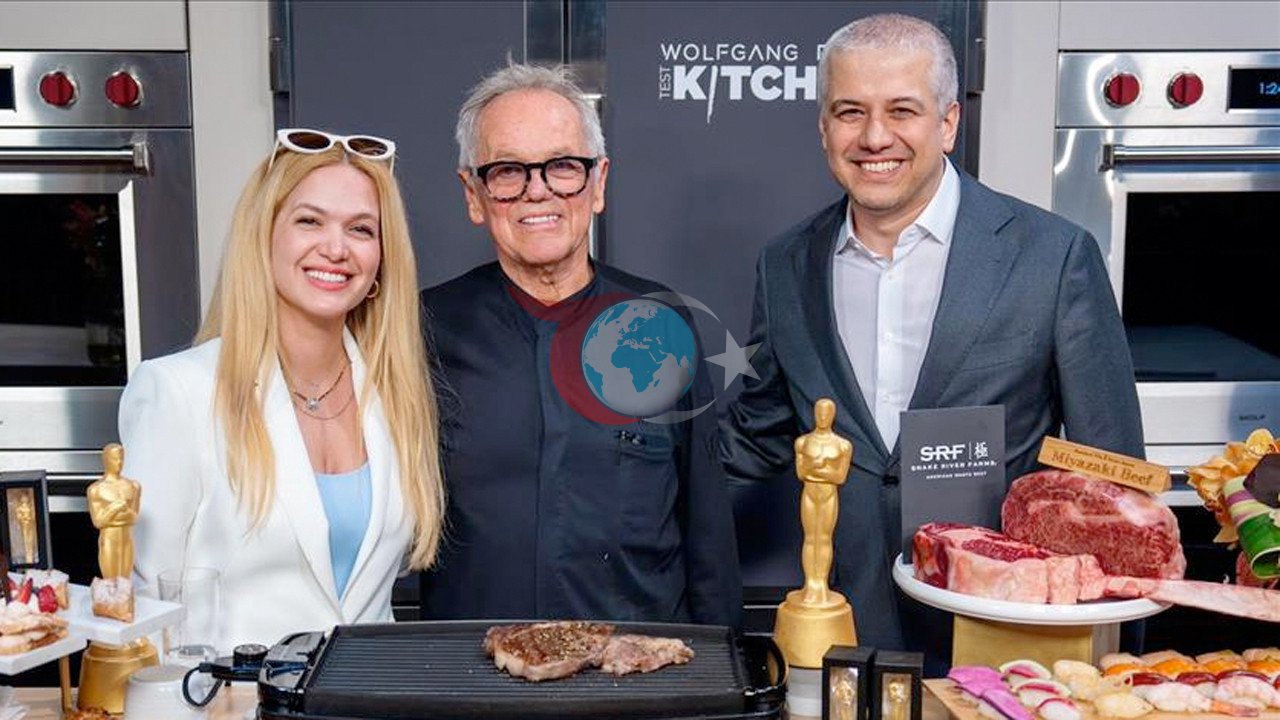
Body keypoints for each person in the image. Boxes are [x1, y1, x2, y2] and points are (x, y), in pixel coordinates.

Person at [721, 13, 1143, 660]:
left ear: (947, 123)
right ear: (824, 128)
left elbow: (1111, 480)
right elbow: (756, 436)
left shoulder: (1052, 258)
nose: (875, 137)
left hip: (1003, 640)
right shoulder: (784, 266)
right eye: (850, 112)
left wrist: (1114, 666)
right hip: (850, 640)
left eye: (902, 110)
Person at [420, 62, 741, 626]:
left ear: (598, 184)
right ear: (474, 193)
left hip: (638, 670)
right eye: (507, 171)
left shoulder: (662, 324)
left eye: (563, 167)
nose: (537, 190)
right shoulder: (422, 330)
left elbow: (707, 534)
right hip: (469, 667)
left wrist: (724, 668)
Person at [120, 129, 445, 651]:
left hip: (369, 691)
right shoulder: (178, 391)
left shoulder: (396, 394)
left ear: (382, 260)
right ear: (264, 235)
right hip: (228, 695)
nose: (335, 248)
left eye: (361, 229)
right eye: (309, 221)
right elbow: (145, 610)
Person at [794, 398, 852, 606]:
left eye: (827, 412)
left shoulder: (842, 445)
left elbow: (840, 477)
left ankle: (821, 583)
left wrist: (817, 468)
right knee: (810, 538)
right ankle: (811, 583)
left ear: (833, 415)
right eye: (819, 412)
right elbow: (801, 472)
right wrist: (824, 468)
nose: (823, 416)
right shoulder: (803, 442)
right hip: (809, 493)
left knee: (824, 538)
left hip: (828, 495)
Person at [86, 443, 139, 578]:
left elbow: (134, 517)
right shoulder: (96, 489)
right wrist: (115, 508)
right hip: (109, 539)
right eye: (115, 459)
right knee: (110, 583)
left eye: (121, 458)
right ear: (106, 460)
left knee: (125, 583)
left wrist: (116, 514)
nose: (119, 462)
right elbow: (98, 522)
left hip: (127, 539)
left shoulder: (133, 486)